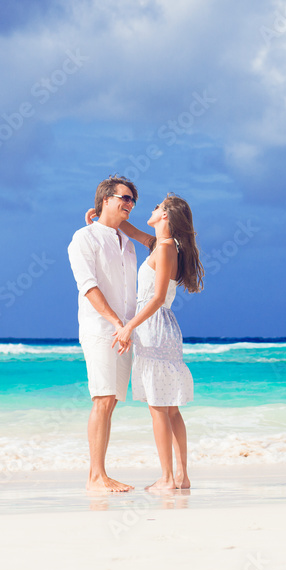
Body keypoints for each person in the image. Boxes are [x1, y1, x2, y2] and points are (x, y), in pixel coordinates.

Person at [89, 193, 204, 491]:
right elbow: (129, 229)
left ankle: (167, 477)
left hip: (153, 326)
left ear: (165, 216)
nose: (150, 210)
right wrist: (101, 218)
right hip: (160, 327)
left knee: (159, 407)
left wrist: (128, 327)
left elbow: (155, 298)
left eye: (157, 207)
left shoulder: (165, 248)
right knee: (170, 407)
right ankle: (180, 476)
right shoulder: (162, 245)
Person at [68, 176, 139, 492]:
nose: (130, 204)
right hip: (101, 329)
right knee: (102, 397)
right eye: (124, 197)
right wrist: (115, 323)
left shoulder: (128, 243)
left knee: (111, 401)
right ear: (105, 199)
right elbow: (88, 287)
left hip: (124, 331)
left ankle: (100, 473)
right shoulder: (84, 238)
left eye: (133, 200)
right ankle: (95, 476)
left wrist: (129, 327)